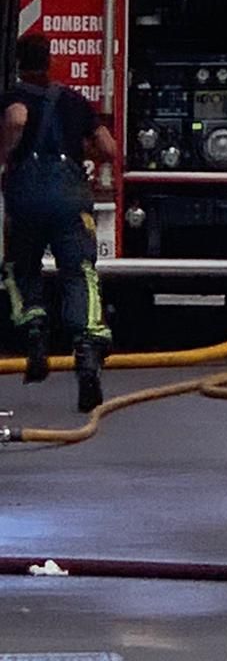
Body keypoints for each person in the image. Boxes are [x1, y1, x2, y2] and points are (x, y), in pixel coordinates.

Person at [0, 32, 116, 411]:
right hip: (71, 199)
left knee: (20, 268)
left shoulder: (13, 96)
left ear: (19, 62)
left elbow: (17, 120)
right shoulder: (73, 100)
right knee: (79, 271)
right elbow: (109, 148)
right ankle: (86, 348)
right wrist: (82, 149)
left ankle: (34, 331)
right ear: (50, 61)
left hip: (28, 197)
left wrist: (6, 153)